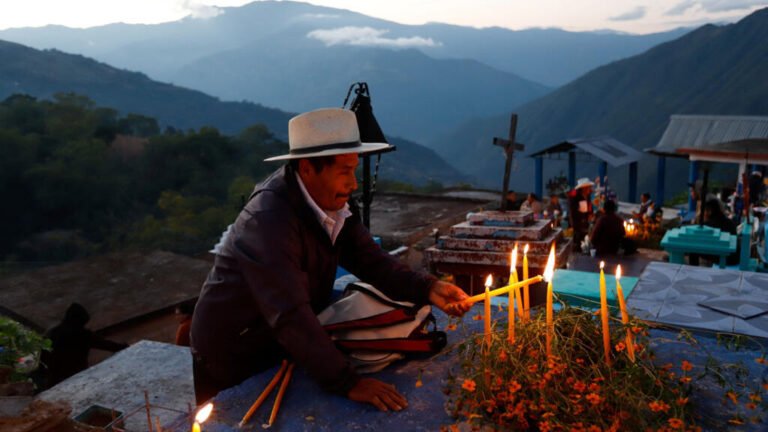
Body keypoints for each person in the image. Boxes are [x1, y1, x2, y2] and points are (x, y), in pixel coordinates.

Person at [190, 108, 471, 409]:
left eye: (354, 170)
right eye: (344, 172)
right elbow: (289, 313)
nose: (353, 183)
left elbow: (369, 259)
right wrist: (348, 382)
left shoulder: (330, 203)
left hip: (278, 342)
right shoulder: (267, 222)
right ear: (308, 168)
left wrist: (427, 287)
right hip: (233, 351)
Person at [40, 302, 128, 388]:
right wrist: (122, 347)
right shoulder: (83, 335)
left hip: (55, 377)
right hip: (76, 375)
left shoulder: (53, 333)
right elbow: (104, 344)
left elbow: (43, 356)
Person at [568, 177, 594, 251]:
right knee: (578, 237)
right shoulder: (575, 197)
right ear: (584, 188)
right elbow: (574, 211)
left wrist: (590, 214)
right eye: (588, 187)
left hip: (585, 220)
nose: (590, 189)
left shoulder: (587, 196)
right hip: (577, 221)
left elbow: (589, 206)